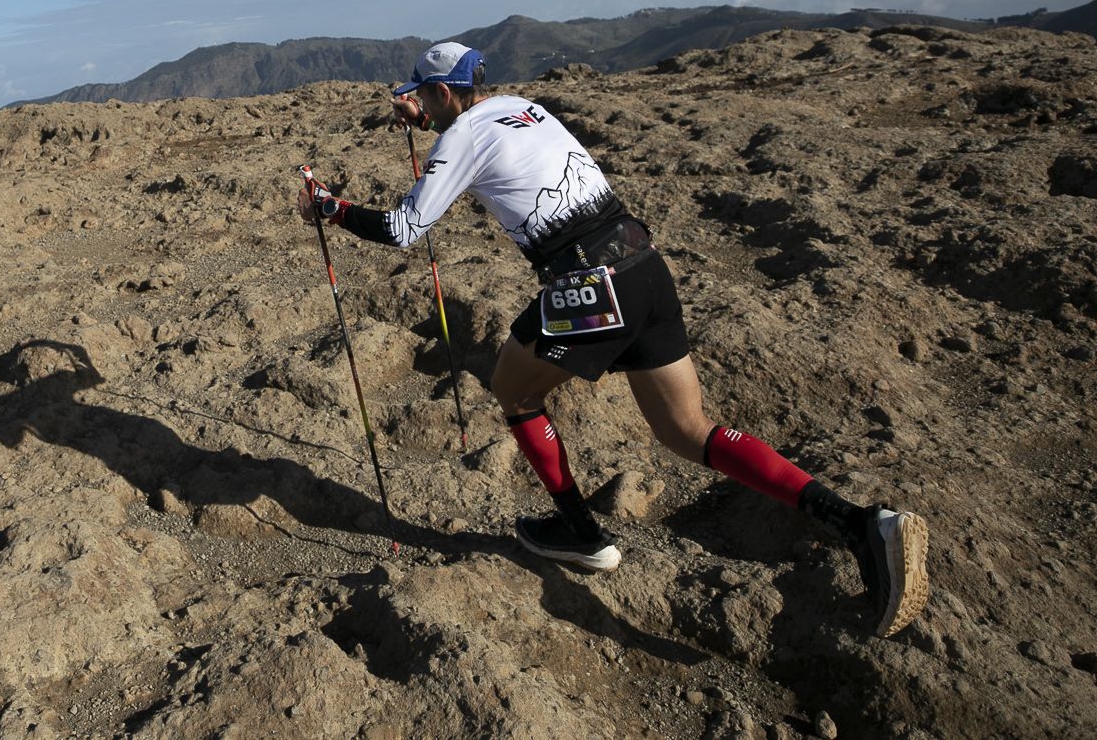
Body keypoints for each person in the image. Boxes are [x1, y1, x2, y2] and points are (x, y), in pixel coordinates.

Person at [294, 41, 929, 639]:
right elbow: (471, 141)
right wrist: (425, 120)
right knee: (690, 431)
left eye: (425, 97)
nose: (423, 107)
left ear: (439, 90)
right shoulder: (526, 108)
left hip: (587, 284)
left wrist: (331, 209)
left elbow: (407, 227)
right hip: (644, 265)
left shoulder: (460, 131)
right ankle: (859, 524)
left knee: (512, 391)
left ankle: (580, 533)